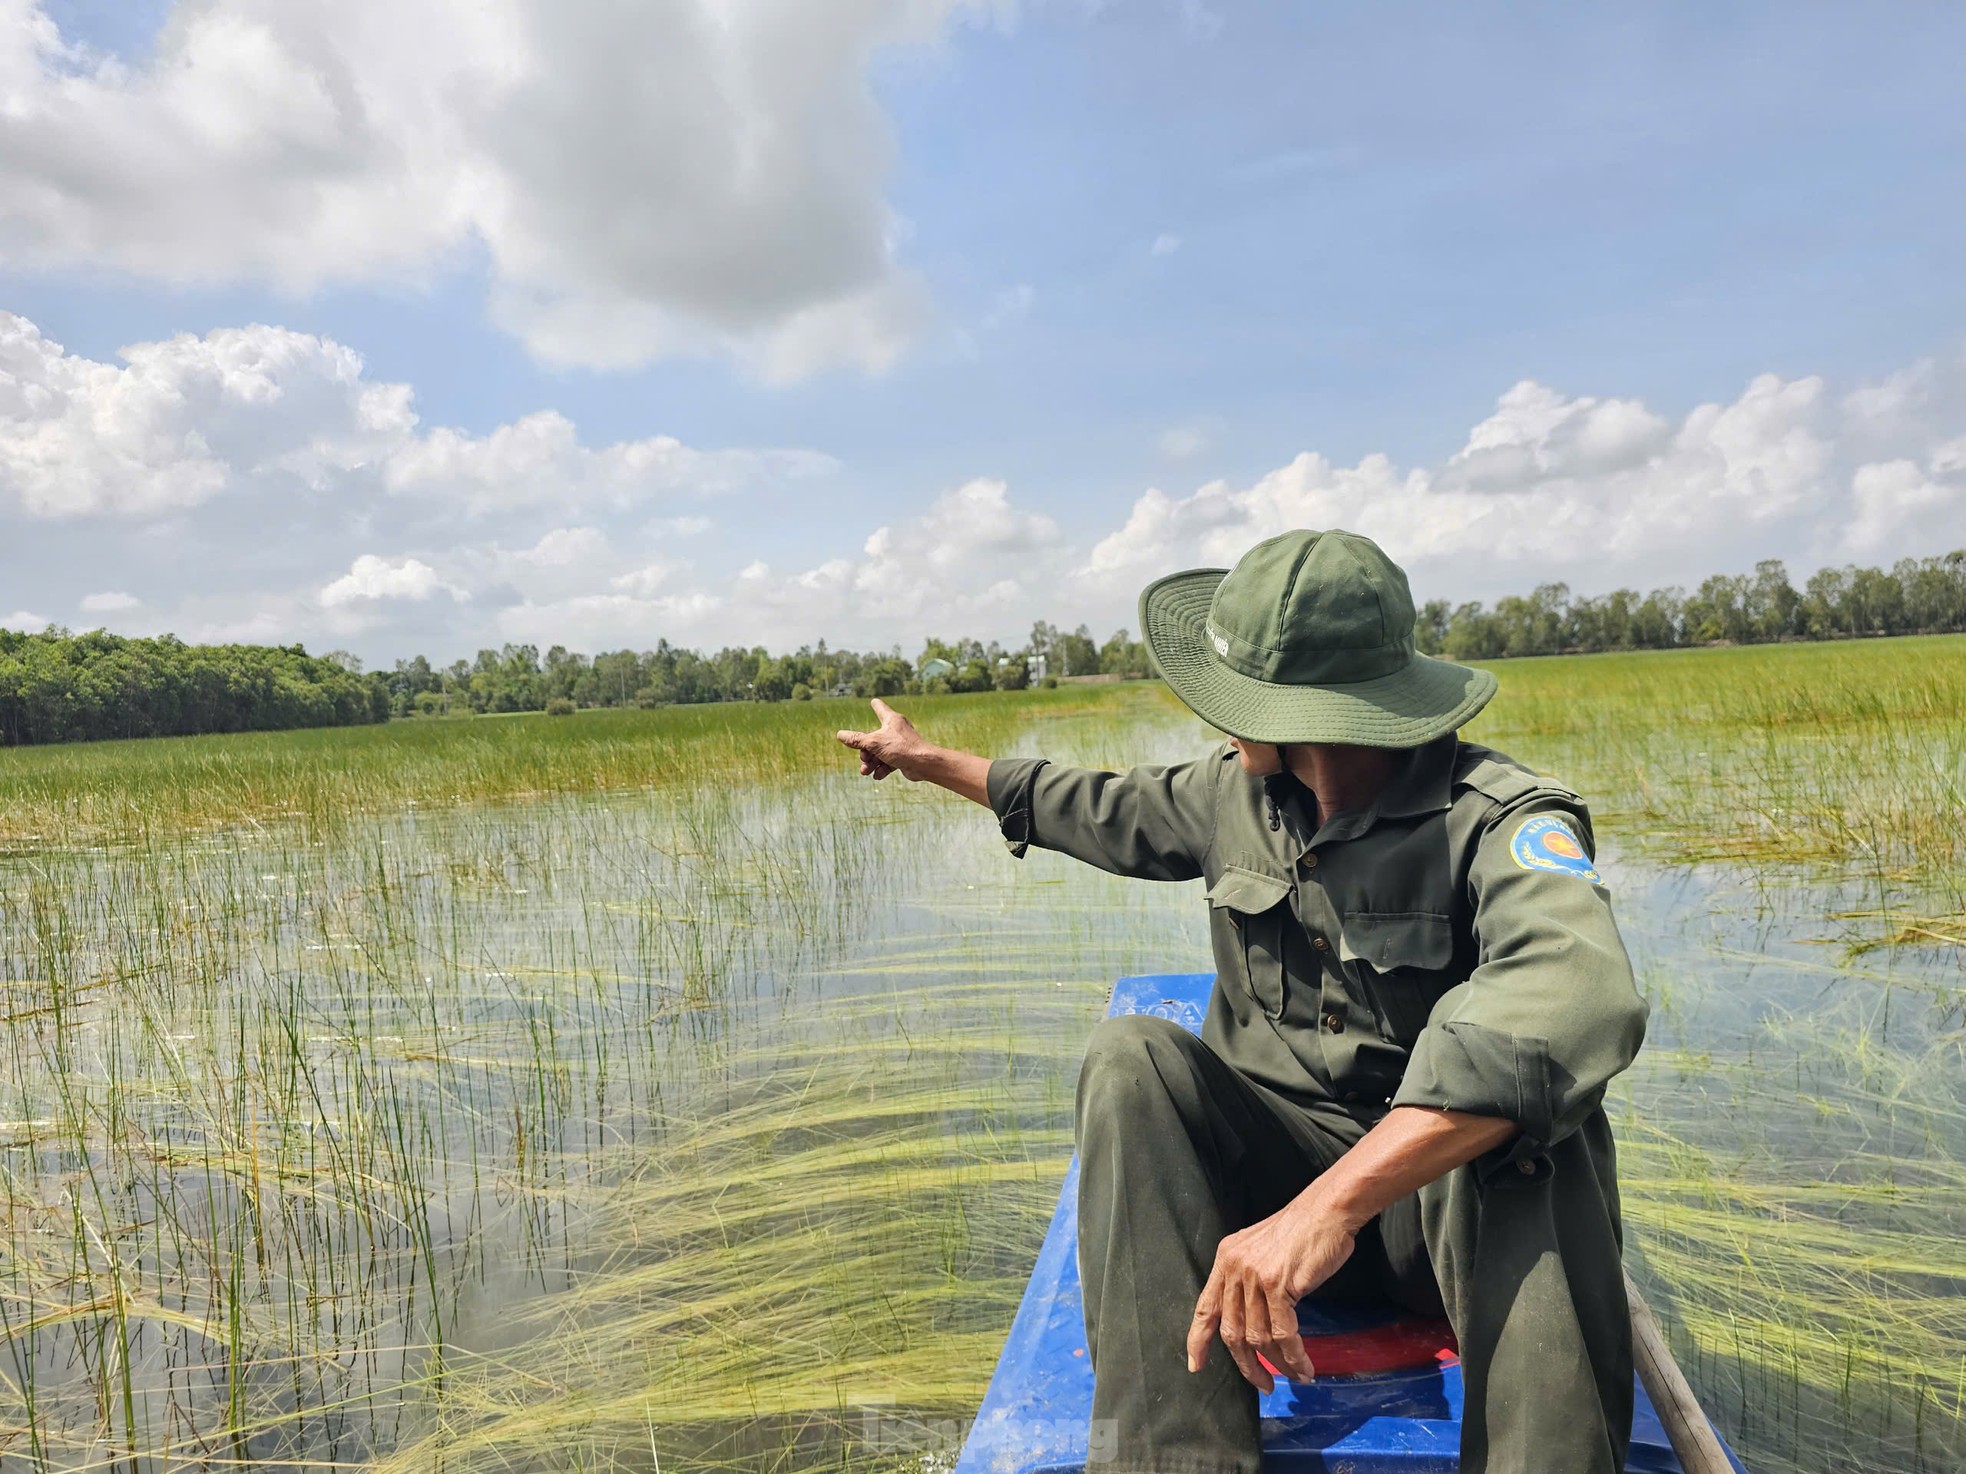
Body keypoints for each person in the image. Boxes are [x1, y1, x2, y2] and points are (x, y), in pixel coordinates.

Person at [836, 528, 1649, 1474]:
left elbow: (1579, 996)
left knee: (1537, 1130)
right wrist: (926, 761)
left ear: (1308, 714)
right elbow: (1090, 805)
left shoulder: (1499, 819)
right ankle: (1174, 1459)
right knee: (1129, 1057)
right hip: (1268, 1182)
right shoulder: (1236, 795)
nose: (1217, 720)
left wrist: (1334, 1208)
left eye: (1234, 700)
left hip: (1437, 1220)